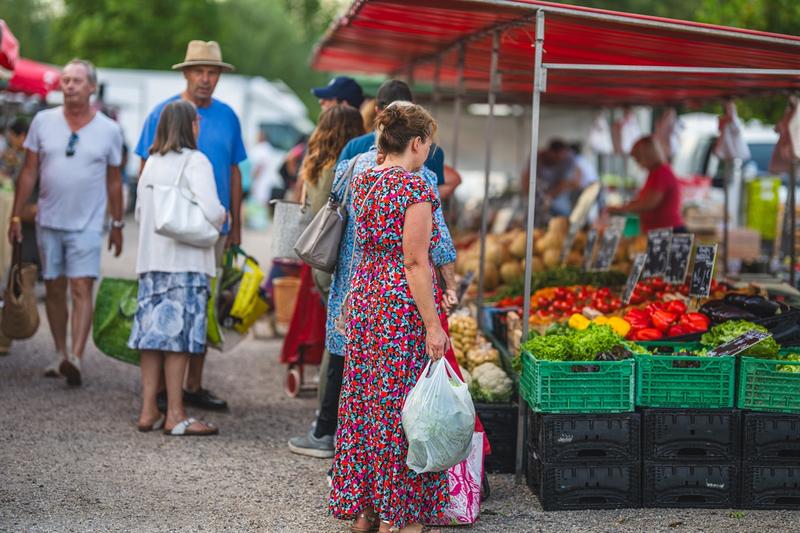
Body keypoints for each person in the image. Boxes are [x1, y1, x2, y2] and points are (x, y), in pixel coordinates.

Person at [287, 80, 459, 460]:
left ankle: (337, 450)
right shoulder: (419, 183)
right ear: (416, 141)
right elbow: (427, 248)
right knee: (391, 392)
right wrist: (446, 289)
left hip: (356, 282)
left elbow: (335, 213)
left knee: (356, 385)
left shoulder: (356, 170)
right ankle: (390, 480)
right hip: (397, 294)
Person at [329, 102, 449, 533]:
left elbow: (363, 248)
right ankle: (398, 518)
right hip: (398, 306)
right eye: (428, 144)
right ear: (416, 143)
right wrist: (433, 326)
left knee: (364, 403)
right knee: (401, 410)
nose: (428, 152)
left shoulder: (364, 182)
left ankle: (366, 509)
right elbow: (416, 263)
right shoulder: (415, 189)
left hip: (364, 297)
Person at [135, 40, 246, 411]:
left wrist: (237, 228)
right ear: (186, 73)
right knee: (187, 301)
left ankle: (192, 384)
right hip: (179, 227)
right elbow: (143, 167)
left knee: (206, 303)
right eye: (199, 71)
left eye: (212, 72)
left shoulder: (229, 116)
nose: (206, 78)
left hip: (211, 229)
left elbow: (233, 173)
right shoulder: (162, 112)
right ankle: (172, 391)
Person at [8, 59, 124, 385]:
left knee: (81, 285)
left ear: (92, 88)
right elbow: (29, 171)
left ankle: (77, 356)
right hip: (49, 219)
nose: (69, 86)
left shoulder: (109, 130)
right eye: (65, 80)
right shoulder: (43, 122)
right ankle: (60, 353)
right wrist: (16, 214)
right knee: (56, 288)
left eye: (76, 81)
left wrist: (117, 224)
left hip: (87, 223)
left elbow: (114, 181)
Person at [129, 100, 225, 436]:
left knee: (152, 339)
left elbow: (141, 215)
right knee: (180, 341)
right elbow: (213, 210)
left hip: (152, 263)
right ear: (190, 126)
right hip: (185, 263)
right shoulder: (196, 161)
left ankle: (147, 411)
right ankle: (175, 414)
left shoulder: (151, 163)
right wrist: (224, 216)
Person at [280, 105, 364, 413]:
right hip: (335, 259)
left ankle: (326, 411)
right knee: (339, 337)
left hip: (317, 257)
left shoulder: (316, 164)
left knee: (333, 329)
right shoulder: (341, 170)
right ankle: (329, 412)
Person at [339, 80, 446, 186]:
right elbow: (435, 196)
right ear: (413, 109)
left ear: (377, 111)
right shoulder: (431, 157)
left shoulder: (355, 150)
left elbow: (336, 191)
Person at [608, 135, 685, 233]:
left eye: (638, 159)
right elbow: (645, 200)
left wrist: (621, 209)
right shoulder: (654, 172)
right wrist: (627, 205)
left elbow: (648, 204)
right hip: (658, 230)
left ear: (647, 156)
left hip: (667, 231)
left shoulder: (661, 172)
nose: (637, 163)